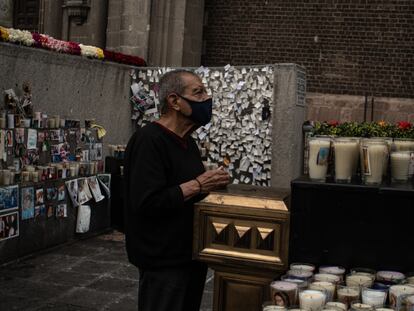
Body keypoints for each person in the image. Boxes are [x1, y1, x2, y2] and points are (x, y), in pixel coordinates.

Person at [125, 69, 230, 311]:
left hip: (190, 256)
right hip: (163, 262)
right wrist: (199, 184)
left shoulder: (188, 142)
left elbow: (188, 192)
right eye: (198, 92)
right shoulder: (149, 140)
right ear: (174, 101)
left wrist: (212, 184)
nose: (206, 98)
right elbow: (147, 201)